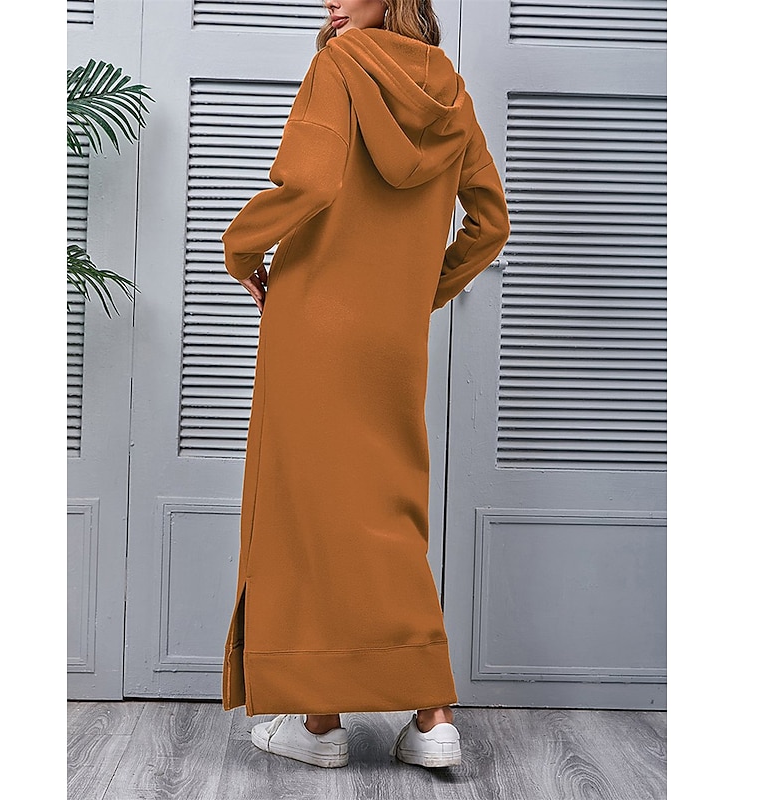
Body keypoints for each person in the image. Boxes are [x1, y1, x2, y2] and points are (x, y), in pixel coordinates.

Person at [219, 0, 510, 770]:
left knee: (306, 510)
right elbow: (490, 224)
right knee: (388, 510)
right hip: (392, 338)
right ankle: (432, 718)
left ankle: (320, 724)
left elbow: (310, 182)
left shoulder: (338, 66)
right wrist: (417, 293)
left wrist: (240, 247)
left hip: (311, 324)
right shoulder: (451, 93)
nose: (331, 0)